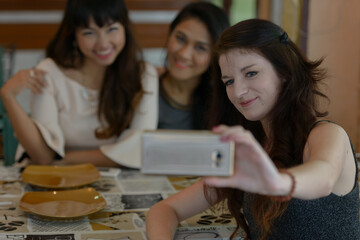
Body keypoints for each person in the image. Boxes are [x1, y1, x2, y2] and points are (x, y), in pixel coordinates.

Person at [146, 19, 359, 239]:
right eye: (228, 81)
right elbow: (165, 210)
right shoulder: (252, 147)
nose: (237, 92)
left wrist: (277, 182)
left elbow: (323, 177)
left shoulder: (326, 134)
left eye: (251, 73)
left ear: (284, 72)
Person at [0, 0, 158, 168]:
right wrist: (8, 97)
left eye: (112, 29)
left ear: (125, 28)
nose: (103, 43)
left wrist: (65, 158)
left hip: (111, 180)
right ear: (73, 35)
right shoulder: (49, 72)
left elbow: (140, 147)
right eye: (89, 33)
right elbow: (43, 157)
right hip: (57, 181)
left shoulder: (144, 75)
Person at [157, 2, 229, 129]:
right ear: (169, 36)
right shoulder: (142, 88)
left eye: (200, 47)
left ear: (214, 57)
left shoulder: (222, 103)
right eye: (180, 38)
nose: (184, 54)